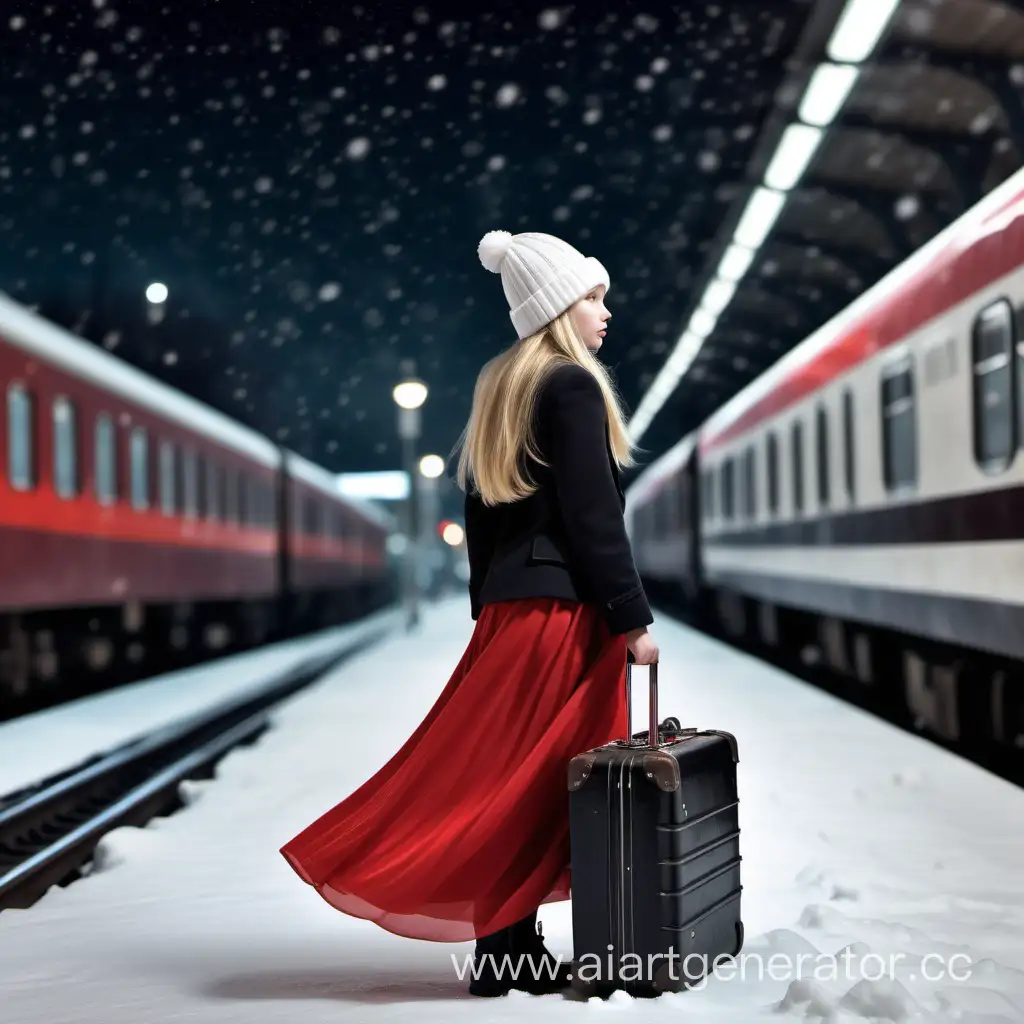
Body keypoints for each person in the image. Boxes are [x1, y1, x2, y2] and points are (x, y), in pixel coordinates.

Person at [279, 229, 658, 999]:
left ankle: (505, 949)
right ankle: (507, 946)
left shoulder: (504, 387)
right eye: (592, 297)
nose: (605, 310)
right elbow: (593, 518)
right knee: (541, 781)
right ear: (558, 308)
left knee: (507, 780)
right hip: (562, 613)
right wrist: (631, 616)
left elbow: (480, 512)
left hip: (516, 613)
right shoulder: (573, 387)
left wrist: (491, 607)